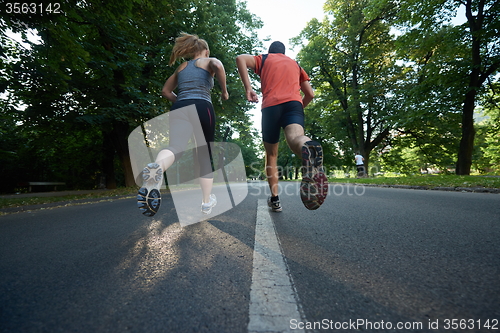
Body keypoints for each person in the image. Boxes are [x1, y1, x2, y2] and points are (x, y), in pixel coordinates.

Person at [137, 33, 229, 217]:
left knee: (175, 147)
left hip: (180, 107)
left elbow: (165, 91)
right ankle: (205, 202)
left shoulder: (182, 67)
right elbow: (218, 65)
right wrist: (224, 92)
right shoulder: (209, 60)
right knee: (204, 154)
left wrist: (183, 102)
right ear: (205, 51)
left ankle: (157, 167)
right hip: (203, 106)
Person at [236, 41, 328, 212]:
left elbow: (240, 58)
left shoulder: (264, 59)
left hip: (271, 106)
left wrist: (248, 88)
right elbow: (310, 94)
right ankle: (309, 147)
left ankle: (275, 199)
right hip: (294, 105)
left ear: (270, 51)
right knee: (296, 139)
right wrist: (298, 109)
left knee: (271, 154)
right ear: (284, 53)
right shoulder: (295, 64)